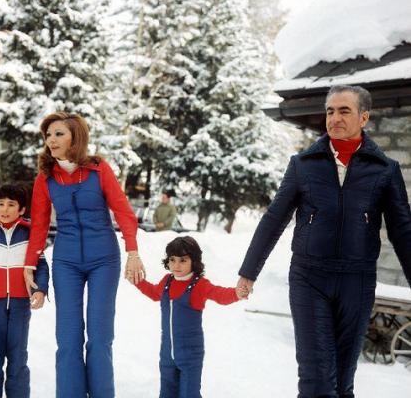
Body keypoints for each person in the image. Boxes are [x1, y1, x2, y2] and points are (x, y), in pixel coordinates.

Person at [237, 85, 411, 397]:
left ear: (364, 117)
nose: (334, 117)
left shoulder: (385, 170)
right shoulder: (303, 164)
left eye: (344, 110)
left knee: (342, 382)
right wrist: (249, 272)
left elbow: (403, 231)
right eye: (330, 110)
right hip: (309, 277)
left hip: (357, 282)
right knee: (317, 381)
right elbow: (274, 218)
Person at [23, 112, 145, 398]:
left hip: (104, 258)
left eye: (58, 134)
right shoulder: (45, 178)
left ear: (75, 137)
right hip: (66, 261)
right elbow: (39, 223)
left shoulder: (99, 169)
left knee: (100, 337)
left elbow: (123, 210)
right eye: (48, 135)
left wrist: (133, 251)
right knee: (67, 337)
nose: (51, 140)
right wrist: (31, 261)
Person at [130, 236, 248, 398]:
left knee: (189, 394)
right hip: (167, 355)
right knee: (167, 393)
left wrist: (236, 293)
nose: (176, 265)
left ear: (194, 261)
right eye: (172, 260)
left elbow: (219, 294)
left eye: (183, 260)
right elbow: (154, 293)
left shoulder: (199, 285)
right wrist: (138, 281)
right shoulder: (167, 281)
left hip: (190, 355)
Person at [0, 184, 49, 398]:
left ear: (22, 209)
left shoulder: (29, 233)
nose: (5, 209)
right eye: (1, 204)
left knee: (17, 360)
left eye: (11, 205)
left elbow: (41, 265)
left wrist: (40, 290)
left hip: (19, 305)